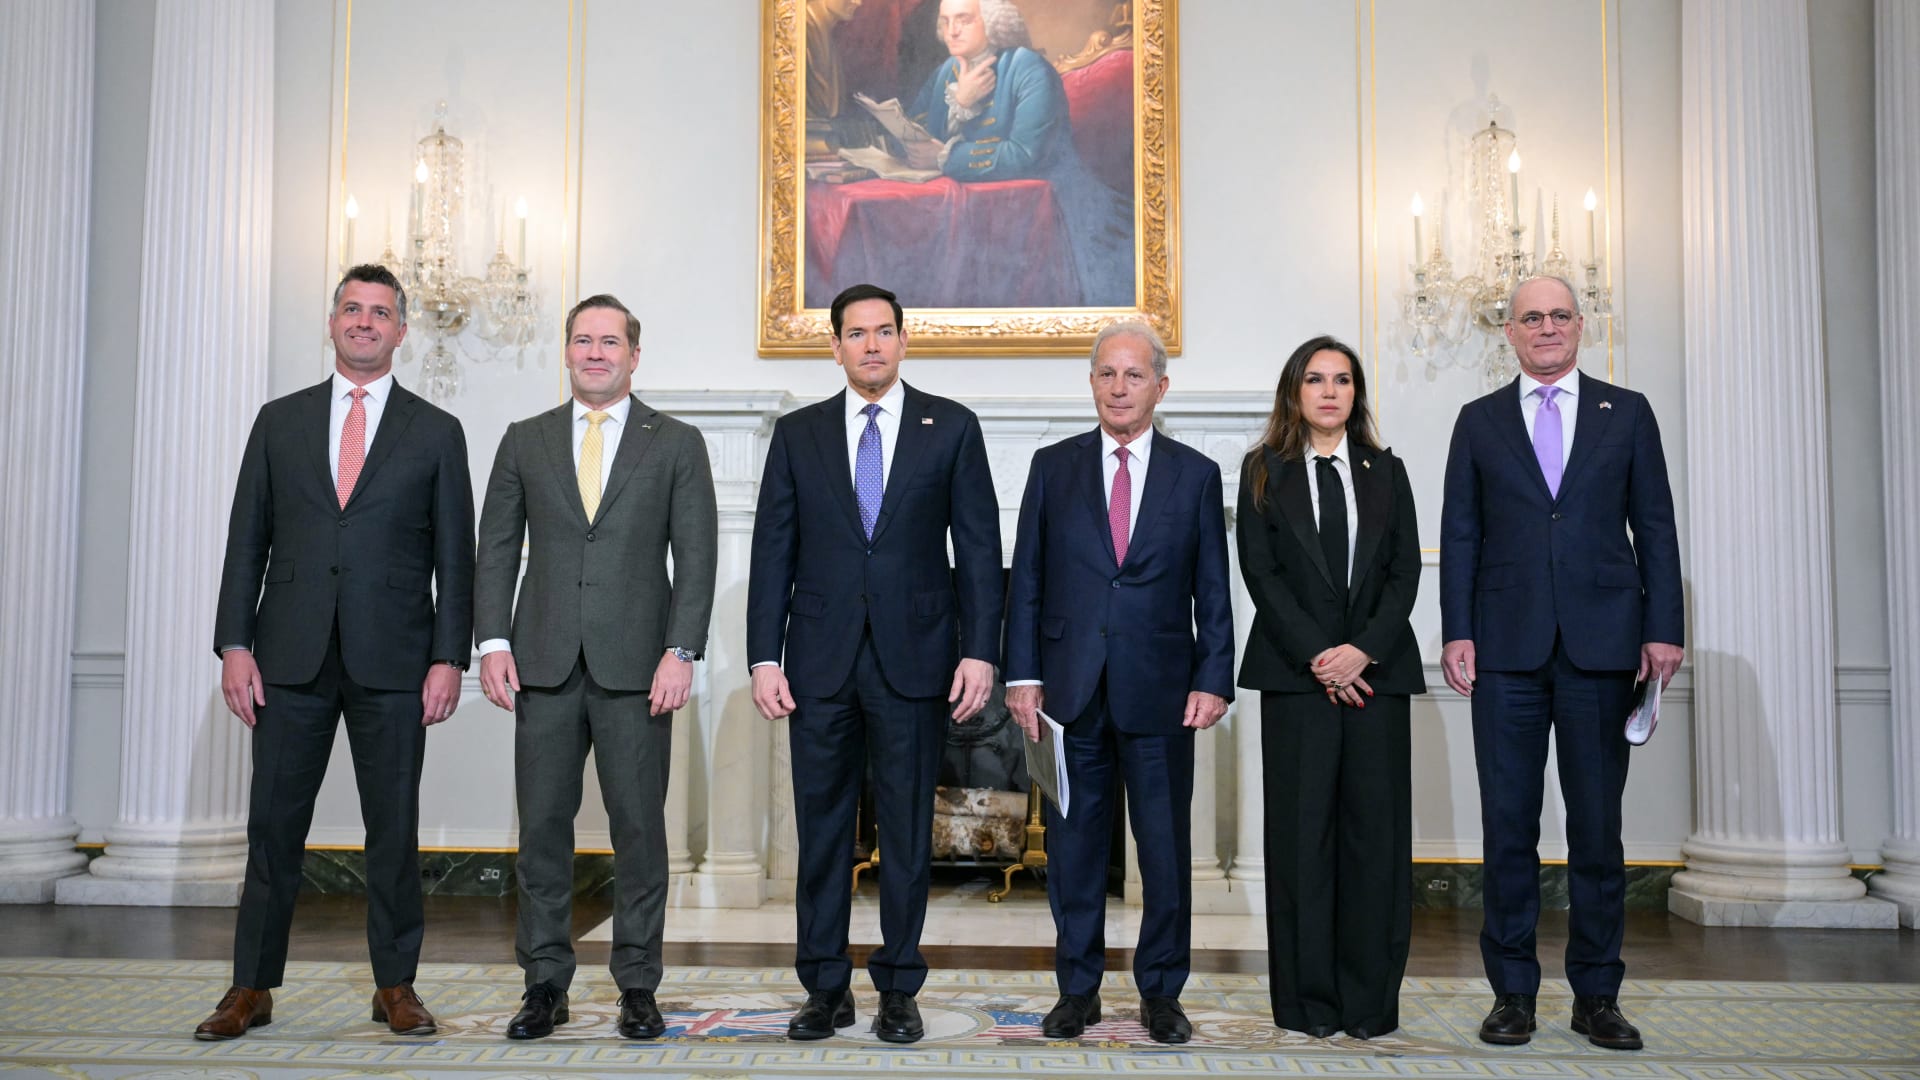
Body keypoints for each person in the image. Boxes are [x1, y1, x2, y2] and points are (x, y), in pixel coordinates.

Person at [200, 264, 475, 1040]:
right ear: (331, 323)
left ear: (401, 331)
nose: (364, 322)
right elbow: (246, 541)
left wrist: (449, 657)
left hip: (396, 659)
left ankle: (395, 986)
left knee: (393, 829)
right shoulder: (278, 422)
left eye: (380, 312)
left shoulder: (436, 431)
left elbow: (456, 558)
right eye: (352, 309)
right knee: (273, 828)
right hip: (287, 657)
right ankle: (250, 987)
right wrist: (234, 644)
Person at [746, 282, 1003, 1044]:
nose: (871, 345)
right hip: (817, 663)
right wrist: (763, 656)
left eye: (884, 331)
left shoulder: (950, 427)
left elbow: (979, 550)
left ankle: (898, 987)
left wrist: (981, 651)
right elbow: (772, 552)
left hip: (916, 660)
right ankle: (825, 988)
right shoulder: (798, 434)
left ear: (903, 340)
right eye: (855, 333)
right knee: (823, 832)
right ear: (835, 346)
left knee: (907, 829)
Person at [1439, 274, 1683, 1051]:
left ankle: (1597, 997)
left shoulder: (1627, 412)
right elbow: (1460, 535)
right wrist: (1456, 631)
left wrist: (1664, 628)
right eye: (1531, 318)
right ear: (1509, 332)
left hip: (1603, 647)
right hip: (1504, 649)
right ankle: (1512, 993)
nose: (1546, 327)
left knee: (1598, 831)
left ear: (1581, 325)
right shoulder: (1478, 420)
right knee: (1508, 827)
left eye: (1559, 316)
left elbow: (1655, 525)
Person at [473, 294, 718, 1041]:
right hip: (542, 664)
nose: (595, 353)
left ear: (634, 355)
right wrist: (492, 642)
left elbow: (697, 556)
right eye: (583, 340)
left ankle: (638, 986)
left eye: (610, 342)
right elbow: (496, 548)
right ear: (567, 351)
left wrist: (681, 651)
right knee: (542, 832)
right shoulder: (524, 439)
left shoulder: (675, 443)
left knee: (639, 833)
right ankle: (544, 984)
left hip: (640, 670)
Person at [1004, 320, 1234, 1045]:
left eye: (1134, 375)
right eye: (1107, 373)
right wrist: (1022, 675)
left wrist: (1214, 678)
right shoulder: (1053, 466)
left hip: (1163, 693)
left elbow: (1213, 589)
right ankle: (1078, 991)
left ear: (1160, 387)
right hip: (1069, 693)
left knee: (1162, 850)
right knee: (1073, 851)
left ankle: (1161, 994)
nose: (1119, 388)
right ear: (1092, 382)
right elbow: (1027, 579)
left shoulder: (1196, 474)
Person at [1235, 336, 1424, 1039]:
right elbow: (1261, 573)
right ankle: (1307, 1004)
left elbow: (1405, 571)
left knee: (1375, 844)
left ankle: (1369, 1005)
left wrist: (1361, 652)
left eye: (1342, 380)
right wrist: (1321, 656)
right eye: (1315, 380)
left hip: (1378, 680)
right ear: (1295, 392)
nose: (1329, 392)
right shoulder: (1263, 470)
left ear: (1355, 393)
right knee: (1301, 842)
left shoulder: (1387, 471)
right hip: (1296, 679)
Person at [901, 0, 1134, 306]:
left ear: (993, 22)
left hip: (1058, 210)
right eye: (945, 21)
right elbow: (916, 129)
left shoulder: (1027, 68)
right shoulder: (946, 71)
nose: (952, 31)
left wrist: (945, 157)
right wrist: (960, 102)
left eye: (964, 20)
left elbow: (1024, 154)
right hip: (981, 212)